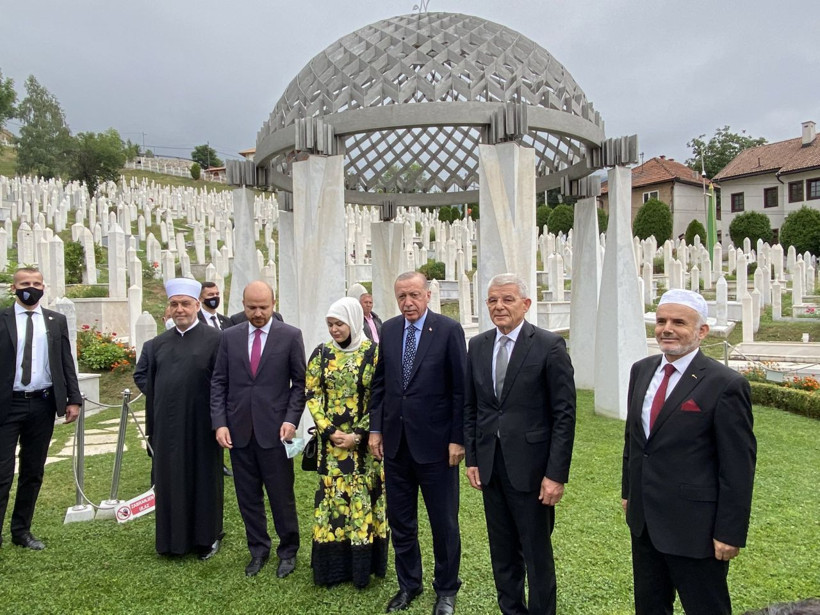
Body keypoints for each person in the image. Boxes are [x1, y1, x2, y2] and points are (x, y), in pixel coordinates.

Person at [622, 289, 757, 615]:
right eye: (662, 321)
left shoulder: (725, 385)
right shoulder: (641, 370)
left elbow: (738, 466)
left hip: (696, 528)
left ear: (702, 331)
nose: (667, 328)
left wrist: (729, 532)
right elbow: (634, 441)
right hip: (645, 523)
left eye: (679, 322)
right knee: (650, 606)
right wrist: (628, 492)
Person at [464, 273, 576, 615]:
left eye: (507, 299)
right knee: (502, 551)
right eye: (493, 300)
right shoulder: (478, 345)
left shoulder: (548, 345)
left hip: (532, 471)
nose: (499, 306)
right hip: (491, 466)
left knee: (536, 554)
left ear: (526, 304)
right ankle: (511, 609)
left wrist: (555, 474)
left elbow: (564, 414)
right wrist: (473, 458)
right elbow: (472, 407)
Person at [369, 271, 466, 615]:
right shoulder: (391, 329)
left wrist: (457, 439)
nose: (408, 303)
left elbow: (460, 390)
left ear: (428, 295)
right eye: (401, 297)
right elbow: (381, 385)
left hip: (437, 447)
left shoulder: (448, 330)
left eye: (414, 295)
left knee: (443, 522)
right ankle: (409, 584)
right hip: (396, 445)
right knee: (402, 521)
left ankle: (446, 590)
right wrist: (375, 430)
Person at [211, 281, 306, 578]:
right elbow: (218, 383)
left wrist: (291, 420)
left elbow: (299, 384)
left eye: (263, 307)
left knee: (281, 496)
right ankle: (258, 549)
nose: (257, 313)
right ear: (243, 304)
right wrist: (220, 423)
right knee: (247, 496)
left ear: (273, 304)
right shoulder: (229, 338)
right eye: (251, 307)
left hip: (276, 432)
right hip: (239, 431)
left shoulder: (290, 336)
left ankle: (288, 551)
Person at [306, 297, 387, 588]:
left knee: (362, 500)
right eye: (330, 324)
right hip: (331, 447)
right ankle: (333, 568)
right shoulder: (321, 353)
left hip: (364, 446)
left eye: (339, 323)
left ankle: (363, 568)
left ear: (353, 321)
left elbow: (380, 396)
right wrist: (328, 431)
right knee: (334, 502)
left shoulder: (374, 353)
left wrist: (359, 434)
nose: (334, 330)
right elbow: (312, 394)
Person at [0, 267, 81, 551]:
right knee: (3, 472)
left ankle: (21, 530)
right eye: (25, 283)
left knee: (33, 471)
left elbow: (65, 360)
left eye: (36, 283)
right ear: (14, 288)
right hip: (7, 404)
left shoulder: (55, 320)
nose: (30, 288)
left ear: (43, 287)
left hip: (42, 403)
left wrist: (74, 398)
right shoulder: (3, 318)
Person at [144, 277, 224, 560]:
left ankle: (207, 538)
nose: (180, 309)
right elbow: (148, 383)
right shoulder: (156, 344)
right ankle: (172, 541)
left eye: (186, 304)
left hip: (203, 424)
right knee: (170, 481)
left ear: (196, 306)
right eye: (174, 304)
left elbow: (222, 382)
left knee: (204, 479)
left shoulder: (216, 339)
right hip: (167, 426)